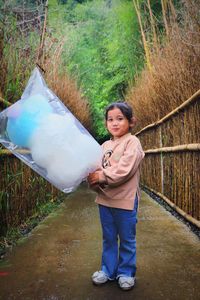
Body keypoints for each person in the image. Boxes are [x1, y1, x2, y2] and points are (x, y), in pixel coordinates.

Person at [87, 102, 145, 290]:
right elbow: (95, 168)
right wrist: (91, 177)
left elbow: (125, 170)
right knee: (109, 237)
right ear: (106, 123)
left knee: (127, 239)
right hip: (104, 200)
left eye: (120, 119)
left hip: (125, 201)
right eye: (110, 119)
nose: (115, 123)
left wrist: (101, 176)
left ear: (131, 121)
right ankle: (108, 270)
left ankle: (126, 272)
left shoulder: (132, 142)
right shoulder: (104, 145)